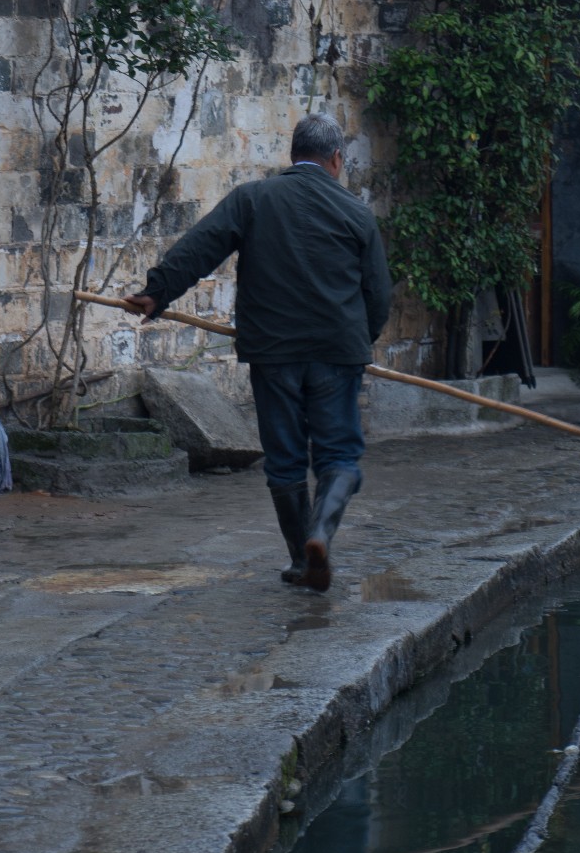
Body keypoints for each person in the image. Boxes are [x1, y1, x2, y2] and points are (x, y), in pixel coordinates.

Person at [122, 114, 391, 594]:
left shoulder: (253, 199)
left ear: (292, 155)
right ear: (336, 160)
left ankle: (301, 559)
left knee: (285, 460)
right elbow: (378, 294)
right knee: (340, 455)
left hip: (272, 351)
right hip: (336, 351)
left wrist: (157, 292)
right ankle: (320, 536)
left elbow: (201, 246)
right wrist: (359, 344)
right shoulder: (357, 214)